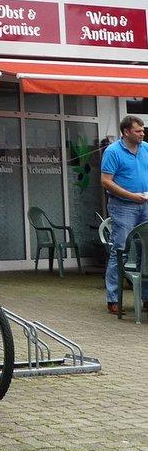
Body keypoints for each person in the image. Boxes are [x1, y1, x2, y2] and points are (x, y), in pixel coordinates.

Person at [100, 115, 148, 315]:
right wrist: (131, 196)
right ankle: (113, 298)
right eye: (138, 130)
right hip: (123, 207)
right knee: (120, 250)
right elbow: (106, 181)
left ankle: (146, 298)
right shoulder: (113, 152)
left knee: (146, 250)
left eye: (143, 130)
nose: (142, 133)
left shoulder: (145, 148)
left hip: (145, 205)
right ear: (126, 132)